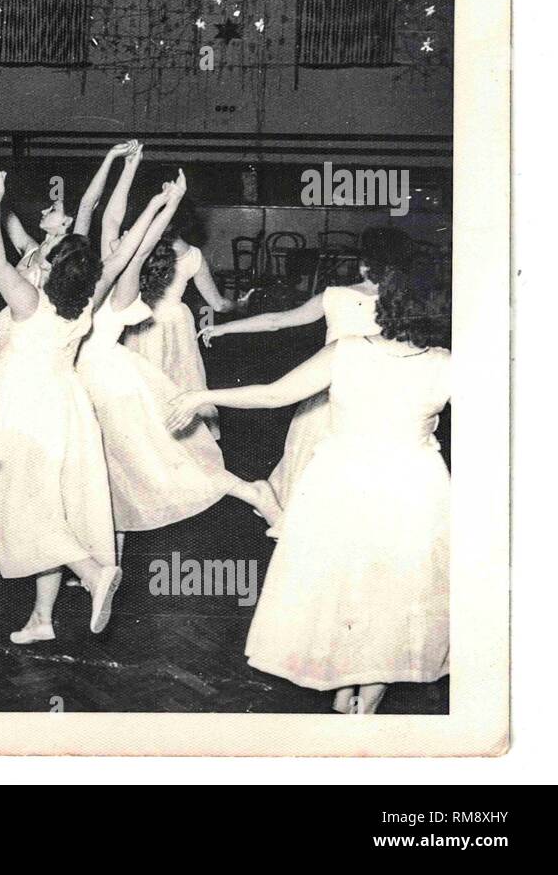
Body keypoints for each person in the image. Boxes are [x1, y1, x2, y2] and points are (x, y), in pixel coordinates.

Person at [167, 267, 450, 714]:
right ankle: (364, 696)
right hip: (413, 484)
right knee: (392, 589)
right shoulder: (445, 363)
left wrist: (203, 397)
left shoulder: (348, 352)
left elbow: (274, 394)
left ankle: (347, 689)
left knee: (338, 581)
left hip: (344, 479)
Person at [0, 166, 136, 644]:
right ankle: (42, 618)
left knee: (24, 510)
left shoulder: (29, 302)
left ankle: (89, 572)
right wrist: (154, 208)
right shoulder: (84, 299)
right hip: (63, 411)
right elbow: (123, 253)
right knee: (50, 508)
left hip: (23, 416)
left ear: (51, 264)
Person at [78, 172, 282, 542]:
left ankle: (247, 490)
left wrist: (161, 200)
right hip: (116, 371)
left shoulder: (120, 281)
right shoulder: (115, 272)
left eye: (134, 233)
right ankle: (106, 561)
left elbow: (115, 226)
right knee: (119, 456)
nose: (124, 233)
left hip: (116, 377)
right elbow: (109, 219)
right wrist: (141, 182)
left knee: (150, 447)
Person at [197, 227, 412, 507]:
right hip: (388, 396)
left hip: (334, 391)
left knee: (313, 467)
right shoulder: (407, 303)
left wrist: (226, 328)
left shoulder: (335, 295)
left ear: (363, 264)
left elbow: (276, 321)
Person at [125, 198, 244, 438]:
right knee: (182, 379)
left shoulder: (140, 249)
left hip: (143, 319)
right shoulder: (194, 255)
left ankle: (145, 439)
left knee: (143, 380)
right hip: (177, 321)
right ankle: (182, 438)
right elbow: (219, 305)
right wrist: (240, 304)